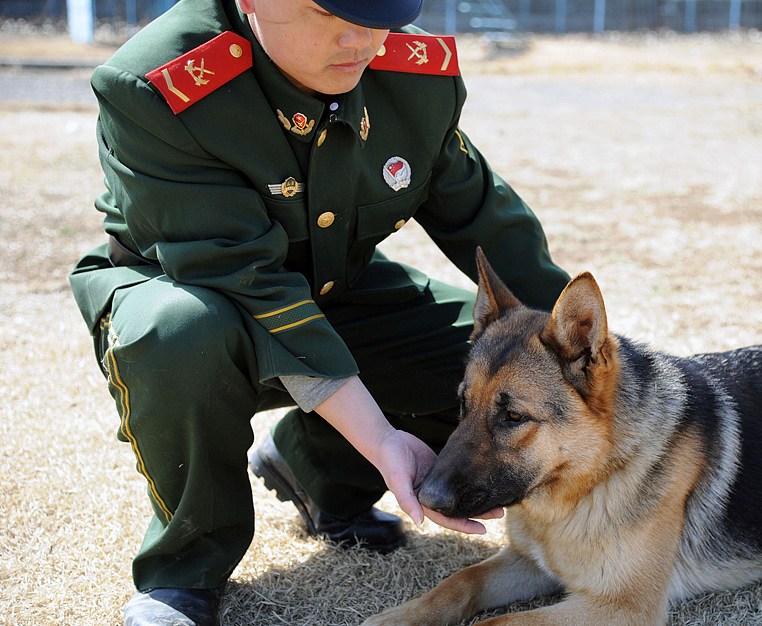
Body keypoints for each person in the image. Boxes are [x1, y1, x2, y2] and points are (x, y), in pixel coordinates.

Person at [69, 0, 569, 624]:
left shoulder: (409, 76)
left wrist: (592, 370)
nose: (362, 38)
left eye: (378, 13)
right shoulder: (158, 86)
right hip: (182, 289)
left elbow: (487, 220)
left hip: (333, 290)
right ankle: (184, 570)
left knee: (492, 373)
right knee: (181, 335)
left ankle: (317, 469)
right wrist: (379, 436)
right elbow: (246, 279)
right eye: (328, 12)